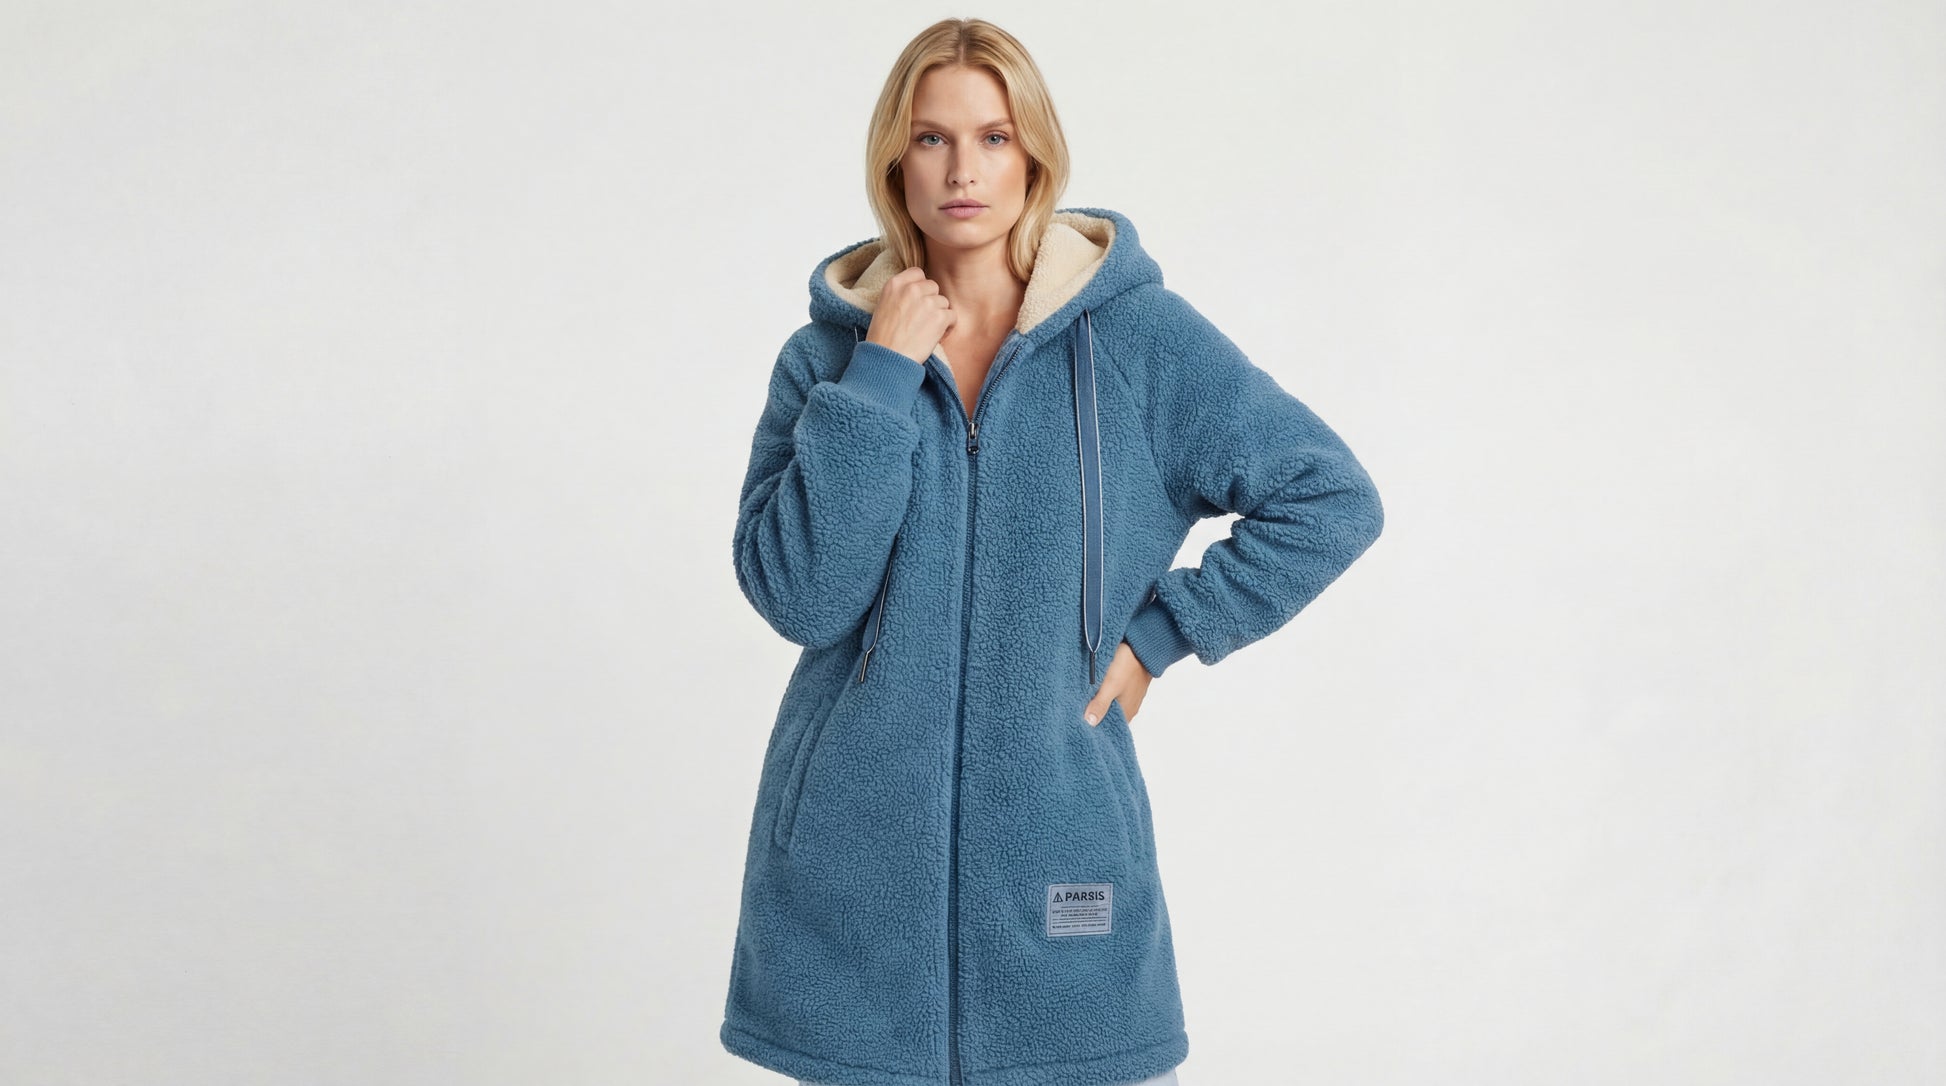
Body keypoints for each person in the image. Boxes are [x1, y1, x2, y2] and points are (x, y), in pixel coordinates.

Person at [719, 17, 1384, 1086]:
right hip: (848, 880)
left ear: (1034, 156)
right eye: (932, 139)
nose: (963, 170)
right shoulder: (828, 361)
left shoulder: (1137, 343)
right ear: (895, 161)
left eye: (993, 137)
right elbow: (801, 598)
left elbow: (1328, 497)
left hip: (1062, 855)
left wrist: (1163, 635)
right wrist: (880, 378)